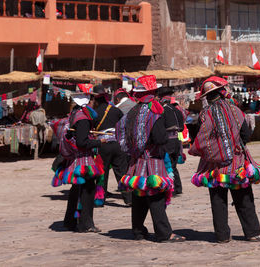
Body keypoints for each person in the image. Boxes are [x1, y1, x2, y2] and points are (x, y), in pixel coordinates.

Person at [189, 76, 260, 243]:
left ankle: (222, 235)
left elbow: (200, 139)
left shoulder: (204, 114)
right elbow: (245, 135)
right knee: (243, 197)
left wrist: (214, 151)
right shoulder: (235, 111)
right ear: (222, 92)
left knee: (217, 200)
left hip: (213, 165)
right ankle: (253, 232)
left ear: (207, 97)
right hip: (236, 162)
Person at [116, 75, 185, 243]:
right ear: (152, 91)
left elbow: (120, 132)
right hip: (152, 160)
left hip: (135, 161)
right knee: (156, 197)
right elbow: (160, 138)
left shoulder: (132, 111)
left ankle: (138, 231)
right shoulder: (154, 112)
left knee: (139, 196)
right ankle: (164, 233)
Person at [51, 84, 106, 233]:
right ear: (90, 99)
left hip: (75, 160)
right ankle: (85, 224)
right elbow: (82, 142)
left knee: (76, 190)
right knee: (87, 192)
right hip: (83, 161)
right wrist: (99, 141)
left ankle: (70, 221)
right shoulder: (83, 118)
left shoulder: (75, 113)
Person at [93, 85, 132, 206]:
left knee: (102, 173)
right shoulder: (116, 110)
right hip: (117, 144)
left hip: (102, 145)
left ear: (95, 99)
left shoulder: (94, 113)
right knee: (121, 172)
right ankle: (129, 199)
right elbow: (124, 125)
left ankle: (100, 199)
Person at [157, 87, 185, 196]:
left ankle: (171, 189)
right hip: (177, 141)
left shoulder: (162, 111)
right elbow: (181, 128)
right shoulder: (177, 110)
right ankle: (178, 188)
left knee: (168, 165)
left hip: (167, 142)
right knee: (173, 165)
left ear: (161, 99)